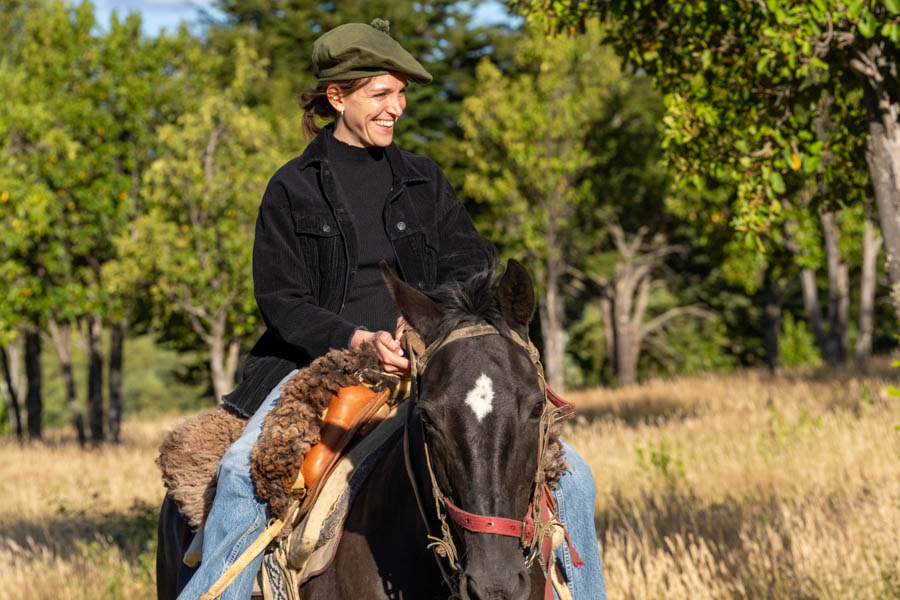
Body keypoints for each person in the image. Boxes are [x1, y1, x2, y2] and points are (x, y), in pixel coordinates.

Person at [175, 20, 605, 600]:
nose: (396, 108)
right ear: (338, 97)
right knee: (237, 475)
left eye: (401, 94)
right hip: (317, 372)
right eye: (381, 93)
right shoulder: (291, 188)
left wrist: (432, 329)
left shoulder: (425, 180)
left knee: (573, 477)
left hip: (435, 365)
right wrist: (357, 338)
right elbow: (281, 301)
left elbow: (470, 269)